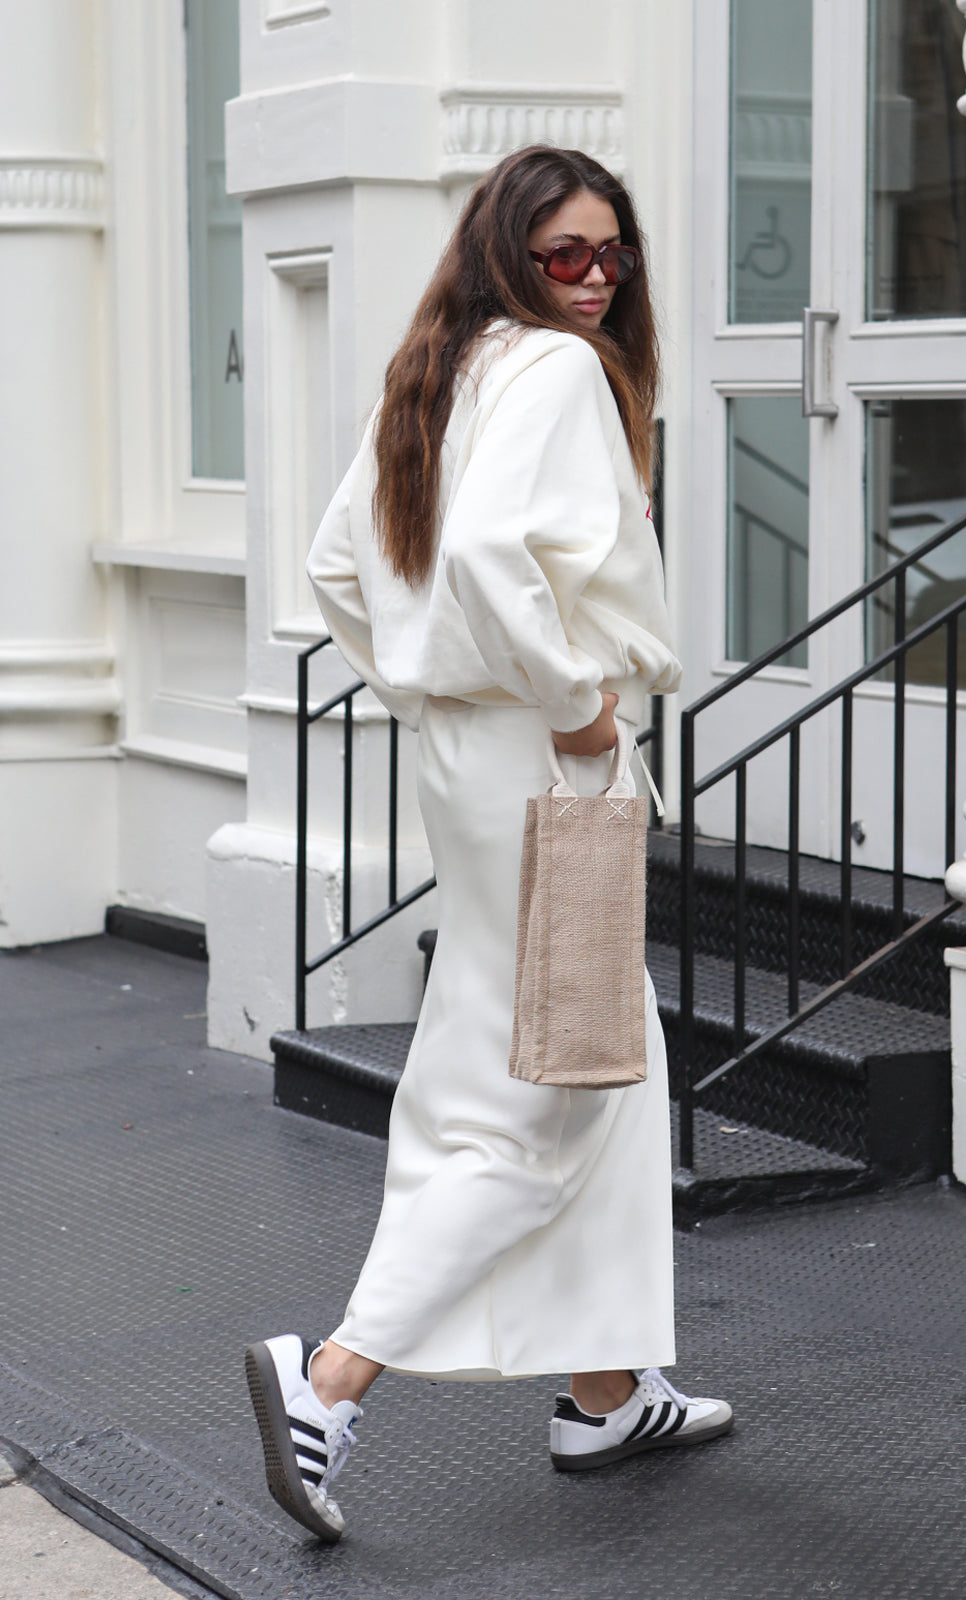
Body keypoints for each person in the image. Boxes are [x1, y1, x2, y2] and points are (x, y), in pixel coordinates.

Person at [244, 144, 733, 1544]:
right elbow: (483, 563)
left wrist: (424, 678)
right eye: (563, 256)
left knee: (563, 1050)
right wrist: (575, 710)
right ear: (510, 255)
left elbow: (344, 568)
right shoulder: (560, 376)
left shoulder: (442, 371)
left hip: (466, 759)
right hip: (544, 759)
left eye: (611, 256)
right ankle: (329, 1380)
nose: (593, 281)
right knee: (554, 1083)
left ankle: (604, 1387)